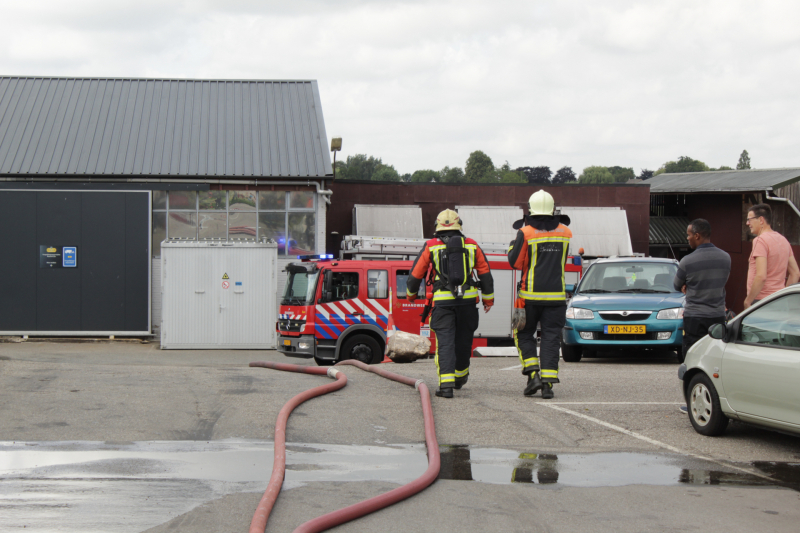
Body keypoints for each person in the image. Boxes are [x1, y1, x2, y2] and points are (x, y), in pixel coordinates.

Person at [406, 209, 494, 398]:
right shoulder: (472, 245)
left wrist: (411, 295)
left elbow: (415, 275)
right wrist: (488, 299)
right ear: (458, 225)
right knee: (463, 342)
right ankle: (460, 377)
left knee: (445, 343)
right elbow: (485, 274)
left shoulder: (431, 246)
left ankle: (446, 386)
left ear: (437, 227)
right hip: (468, 303)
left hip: (443, 303)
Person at [508, 190, 572, 399]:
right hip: (556, 298)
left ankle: (533, 374)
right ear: (553, 208)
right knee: (551, 338)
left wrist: (513, 247)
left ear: (530, 209)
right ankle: (547, 385)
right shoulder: (565, 232)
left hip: (529, 298)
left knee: (525, 334)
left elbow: (515, 262)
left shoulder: (525, 233)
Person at [673, 220, 731, 413]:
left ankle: (692, 401)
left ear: (697, 235)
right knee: (715, 360)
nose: (687, 238)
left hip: (694, 318)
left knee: (692, 359)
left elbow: (676, 285)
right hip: (717, 317)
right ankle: (717, 400)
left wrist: (688, 285)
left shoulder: (687, 261)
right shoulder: (726, 258)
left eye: (689, 234)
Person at [744, 203, 800, 309]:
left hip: (760, 302)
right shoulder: (783, 240)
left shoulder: (760, 240)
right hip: (778, 301)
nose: (747, 223)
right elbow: (795, 273)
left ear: (761, 220)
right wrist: (783, 296)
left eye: (749, 219)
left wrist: (748, 301)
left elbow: (761, 276)